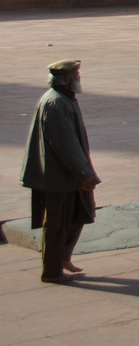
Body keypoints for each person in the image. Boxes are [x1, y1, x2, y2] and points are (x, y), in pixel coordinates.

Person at [21, 59, 98, 283]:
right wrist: (84, 173)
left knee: (82, 213)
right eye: (76, 76)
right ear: (66, 80)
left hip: (69, 173)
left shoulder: (66, 99)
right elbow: (64, 143)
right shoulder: (55, 103)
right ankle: (52, 271)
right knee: (56, 223)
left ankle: (63, 257)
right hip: (58, 176)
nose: (79, 79)